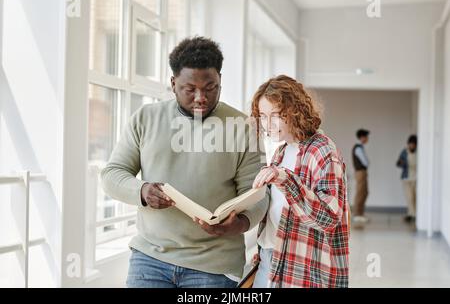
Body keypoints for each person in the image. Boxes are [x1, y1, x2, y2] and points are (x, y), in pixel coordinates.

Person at [101, 37, 269, 288]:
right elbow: (112, 174)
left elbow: (257, 194)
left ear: (220, 81)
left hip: (214, 266)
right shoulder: (146, 118)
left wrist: (240, 223)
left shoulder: (244, 127)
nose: (201, 97)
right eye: (190, 89)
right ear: (173, 84)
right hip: (150, 258)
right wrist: (143, 191)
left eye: (210, 87)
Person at [251, 75, 350, 288]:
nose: (268, 124)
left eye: (276, 115)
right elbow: (278, 211)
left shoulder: (323, 151)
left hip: (305, 269)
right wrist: (264, 247)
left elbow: (329, 217)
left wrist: (286, 180)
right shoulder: (281, 151)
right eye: (263, 116)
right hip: (271, 260)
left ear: (296, 111)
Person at [396, 135, 417, 223]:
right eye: (410, 144)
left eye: (413, 144)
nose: (412, 146)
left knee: (415, 197)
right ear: (408, 144)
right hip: (406, 178)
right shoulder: (404, 152)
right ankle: (412, 215)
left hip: (416, 178)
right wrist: (402, 162)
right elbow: (398, 163)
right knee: (409, 197)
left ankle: (413, 214)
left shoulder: (419, 152)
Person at [352, 129, 370, 224]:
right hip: (360, 172)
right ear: (362, 137)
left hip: (362, 172)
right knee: (360, 192)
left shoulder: (360, 147)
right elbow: (365, 162)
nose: (367, 139)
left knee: (364, 192)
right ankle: (357, 214)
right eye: (366, 137)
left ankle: (360, 213)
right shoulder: (358, 148)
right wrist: (367, 163)